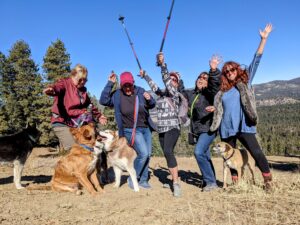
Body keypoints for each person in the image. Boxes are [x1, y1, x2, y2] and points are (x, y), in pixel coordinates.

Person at [209, 24, 273, 190]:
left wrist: (263, 39)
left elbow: (255, 61)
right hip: (226, 128)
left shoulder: (244, 82)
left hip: (244, 126)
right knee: (229, 157)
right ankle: (237, 184)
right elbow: (219, 106)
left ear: (237, 70)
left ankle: (268, 181)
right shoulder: (222, 91)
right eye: (227, 71)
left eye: (232, 70)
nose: (230, 72)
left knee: (256, 152)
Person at [100, 71, 156, 189]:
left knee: (148, 154)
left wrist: (150, 99)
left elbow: (151, 104)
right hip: (130, 129)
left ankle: (143, 180)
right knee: (144, 153)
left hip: (146, 128)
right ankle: (133, 177)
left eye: (129, 85)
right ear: (121, 85)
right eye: (125, 85)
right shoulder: (117, 95)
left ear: (133, 83)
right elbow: (103, 100)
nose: (127, 88)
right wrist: (110, 83)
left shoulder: (140, 91)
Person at [140, 53, 184, 197]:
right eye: (171, 78)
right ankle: (173, 179)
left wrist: (163, 64)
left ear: (177, 83)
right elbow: (154, 86)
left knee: (168, 151)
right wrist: (145, 75)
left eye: (174, 79)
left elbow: (166, 81)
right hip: (162, 128)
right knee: (166, 153)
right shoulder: (161, 95)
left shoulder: (175, 94)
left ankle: (176, 183)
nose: (171, 81)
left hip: (173, 127)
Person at [43, 64, 107, 151]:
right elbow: (58, 88)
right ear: (73, 76)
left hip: (75, 123)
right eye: (79, 79)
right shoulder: (64, 83)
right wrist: (52, 90)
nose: (82, 82)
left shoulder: (82, 91)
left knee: (88, 146)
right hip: (61, 122)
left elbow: (89, 105)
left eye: (84, 80)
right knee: (74, 149)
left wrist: (99, 116)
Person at [183, 55, 222, 192]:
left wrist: (213, 70)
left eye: (205, 78)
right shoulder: (192, 94)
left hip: (209, 129)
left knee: (198, 152)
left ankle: (211, 182)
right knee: (205, 155)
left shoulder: (209, 93)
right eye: (200, 77)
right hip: (197, 130)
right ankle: (209, 181)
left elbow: (215, 84)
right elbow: (179, 91)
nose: (201, 79)